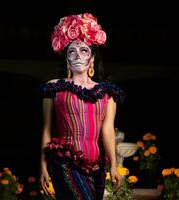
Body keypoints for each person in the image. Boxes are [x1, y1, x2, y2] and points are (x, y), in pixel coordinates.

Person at [39, 13, 125, 200]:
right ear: (67, 59)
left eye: (84, 51)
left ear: (92, 58)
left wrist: (113, 166)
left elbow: (108, 131)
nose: (77, 55)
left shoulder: (106, 92)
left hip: (96, 166)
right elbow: (46, 129)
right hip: (64, 162)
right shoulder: (54, 87)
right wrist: (43, 166)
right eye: (72, 51)